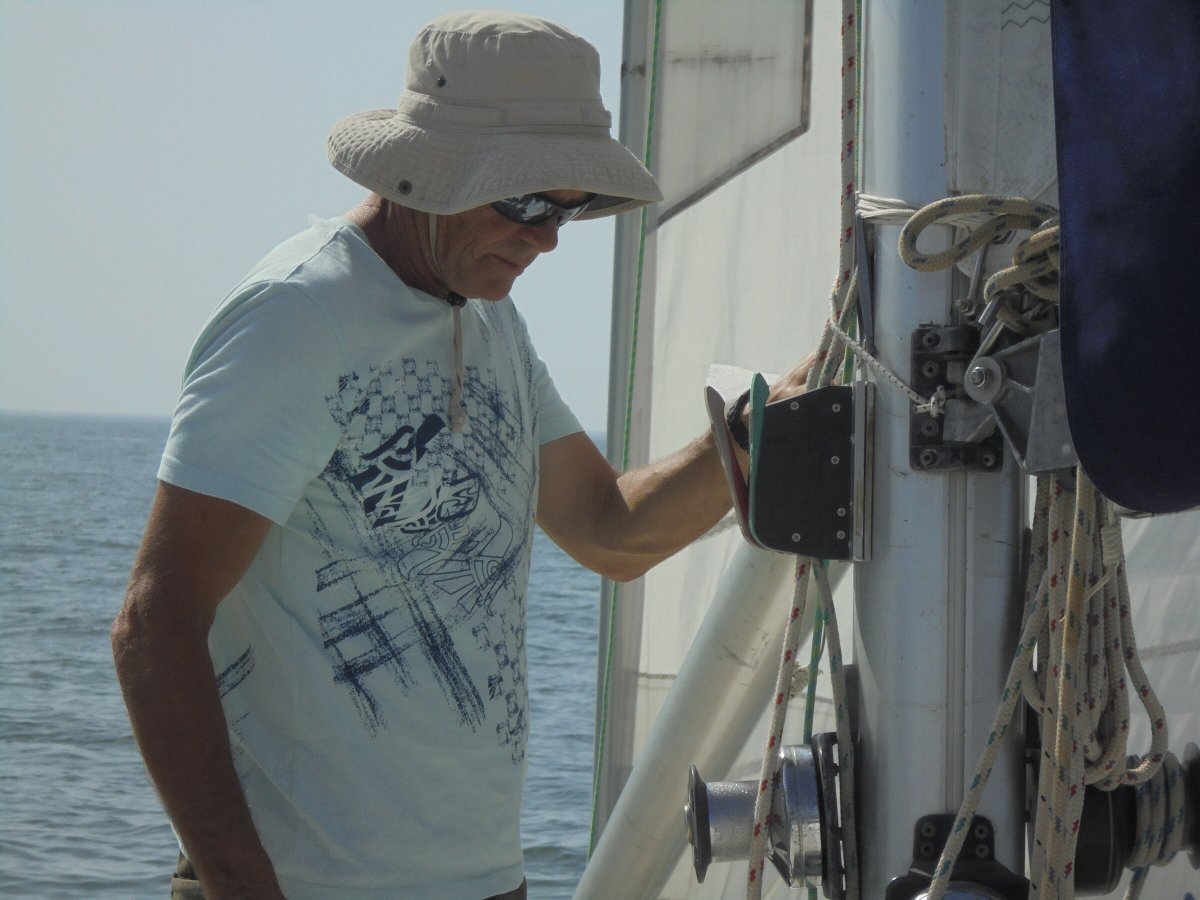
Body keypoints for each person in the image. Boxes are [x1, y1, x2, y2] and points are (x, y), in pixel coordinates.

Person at [111, 11, 811, 899]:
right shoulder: (296, 320)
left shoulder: (489, 315)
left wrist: (761, 427)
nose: (547, 237)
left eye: (569, 207)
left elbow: (609, 530)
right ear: (422, 172)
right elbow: (153, 623)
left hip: (489, 883)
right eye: (523, 202)